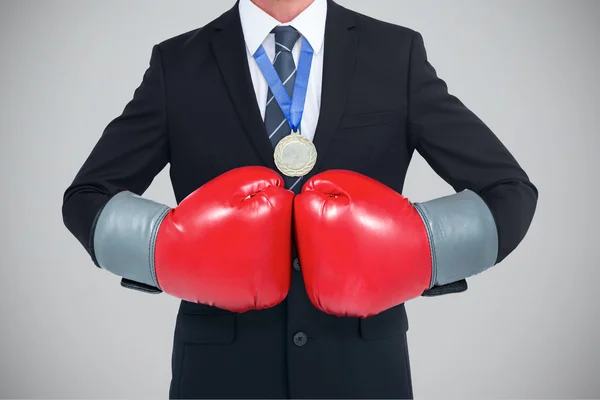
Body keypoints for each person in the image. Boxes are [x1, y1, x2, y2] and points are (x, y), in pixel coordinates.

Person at [61, 0, 538, 398]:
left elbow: (508, 191)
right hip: (219, 375)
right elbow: (88, 196)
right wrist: (172, 251)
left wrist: (417, 254)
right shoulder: (177, 63)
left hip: (365, 373)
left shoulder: (395, 53)